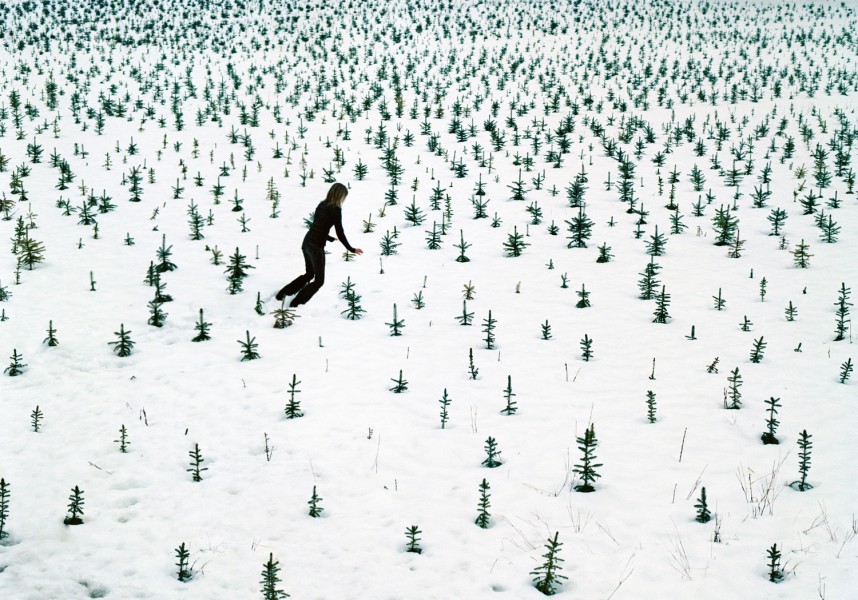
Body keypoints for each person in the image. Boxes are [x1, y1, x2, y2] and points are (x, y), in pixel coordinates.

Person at [275, 182, 363, 307]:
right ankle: (296, 304)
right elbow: (340, 232)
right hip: (316, 247)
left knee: (309, 274)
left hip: (307, 242)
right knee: (319, 281)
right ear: (340, 196)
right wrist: (351, 249)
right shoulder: (336, 209)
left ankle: (282, 294)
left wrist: (329, 238)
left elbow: (317, 226)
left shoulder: (322, 204)